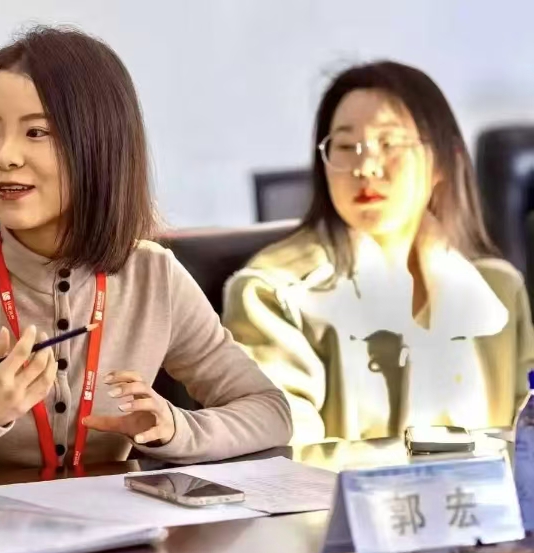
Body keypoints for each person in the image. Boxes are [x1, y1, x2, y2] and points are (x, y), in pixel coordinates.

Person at [0, 27, 291, 484]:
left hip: (115, 525)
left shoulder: (153, 275)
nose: (4, 156)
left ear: (98, 146)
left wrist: (175, 428)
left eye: (36, 132)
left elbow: (269, 411)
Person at [224, 61, 534, 443]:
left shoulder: (499, 290)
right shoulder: (275, 292)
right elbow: (282, 452)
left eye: (389, 144)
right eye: (345, 146)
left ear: (443, 161)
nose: (366, 167)